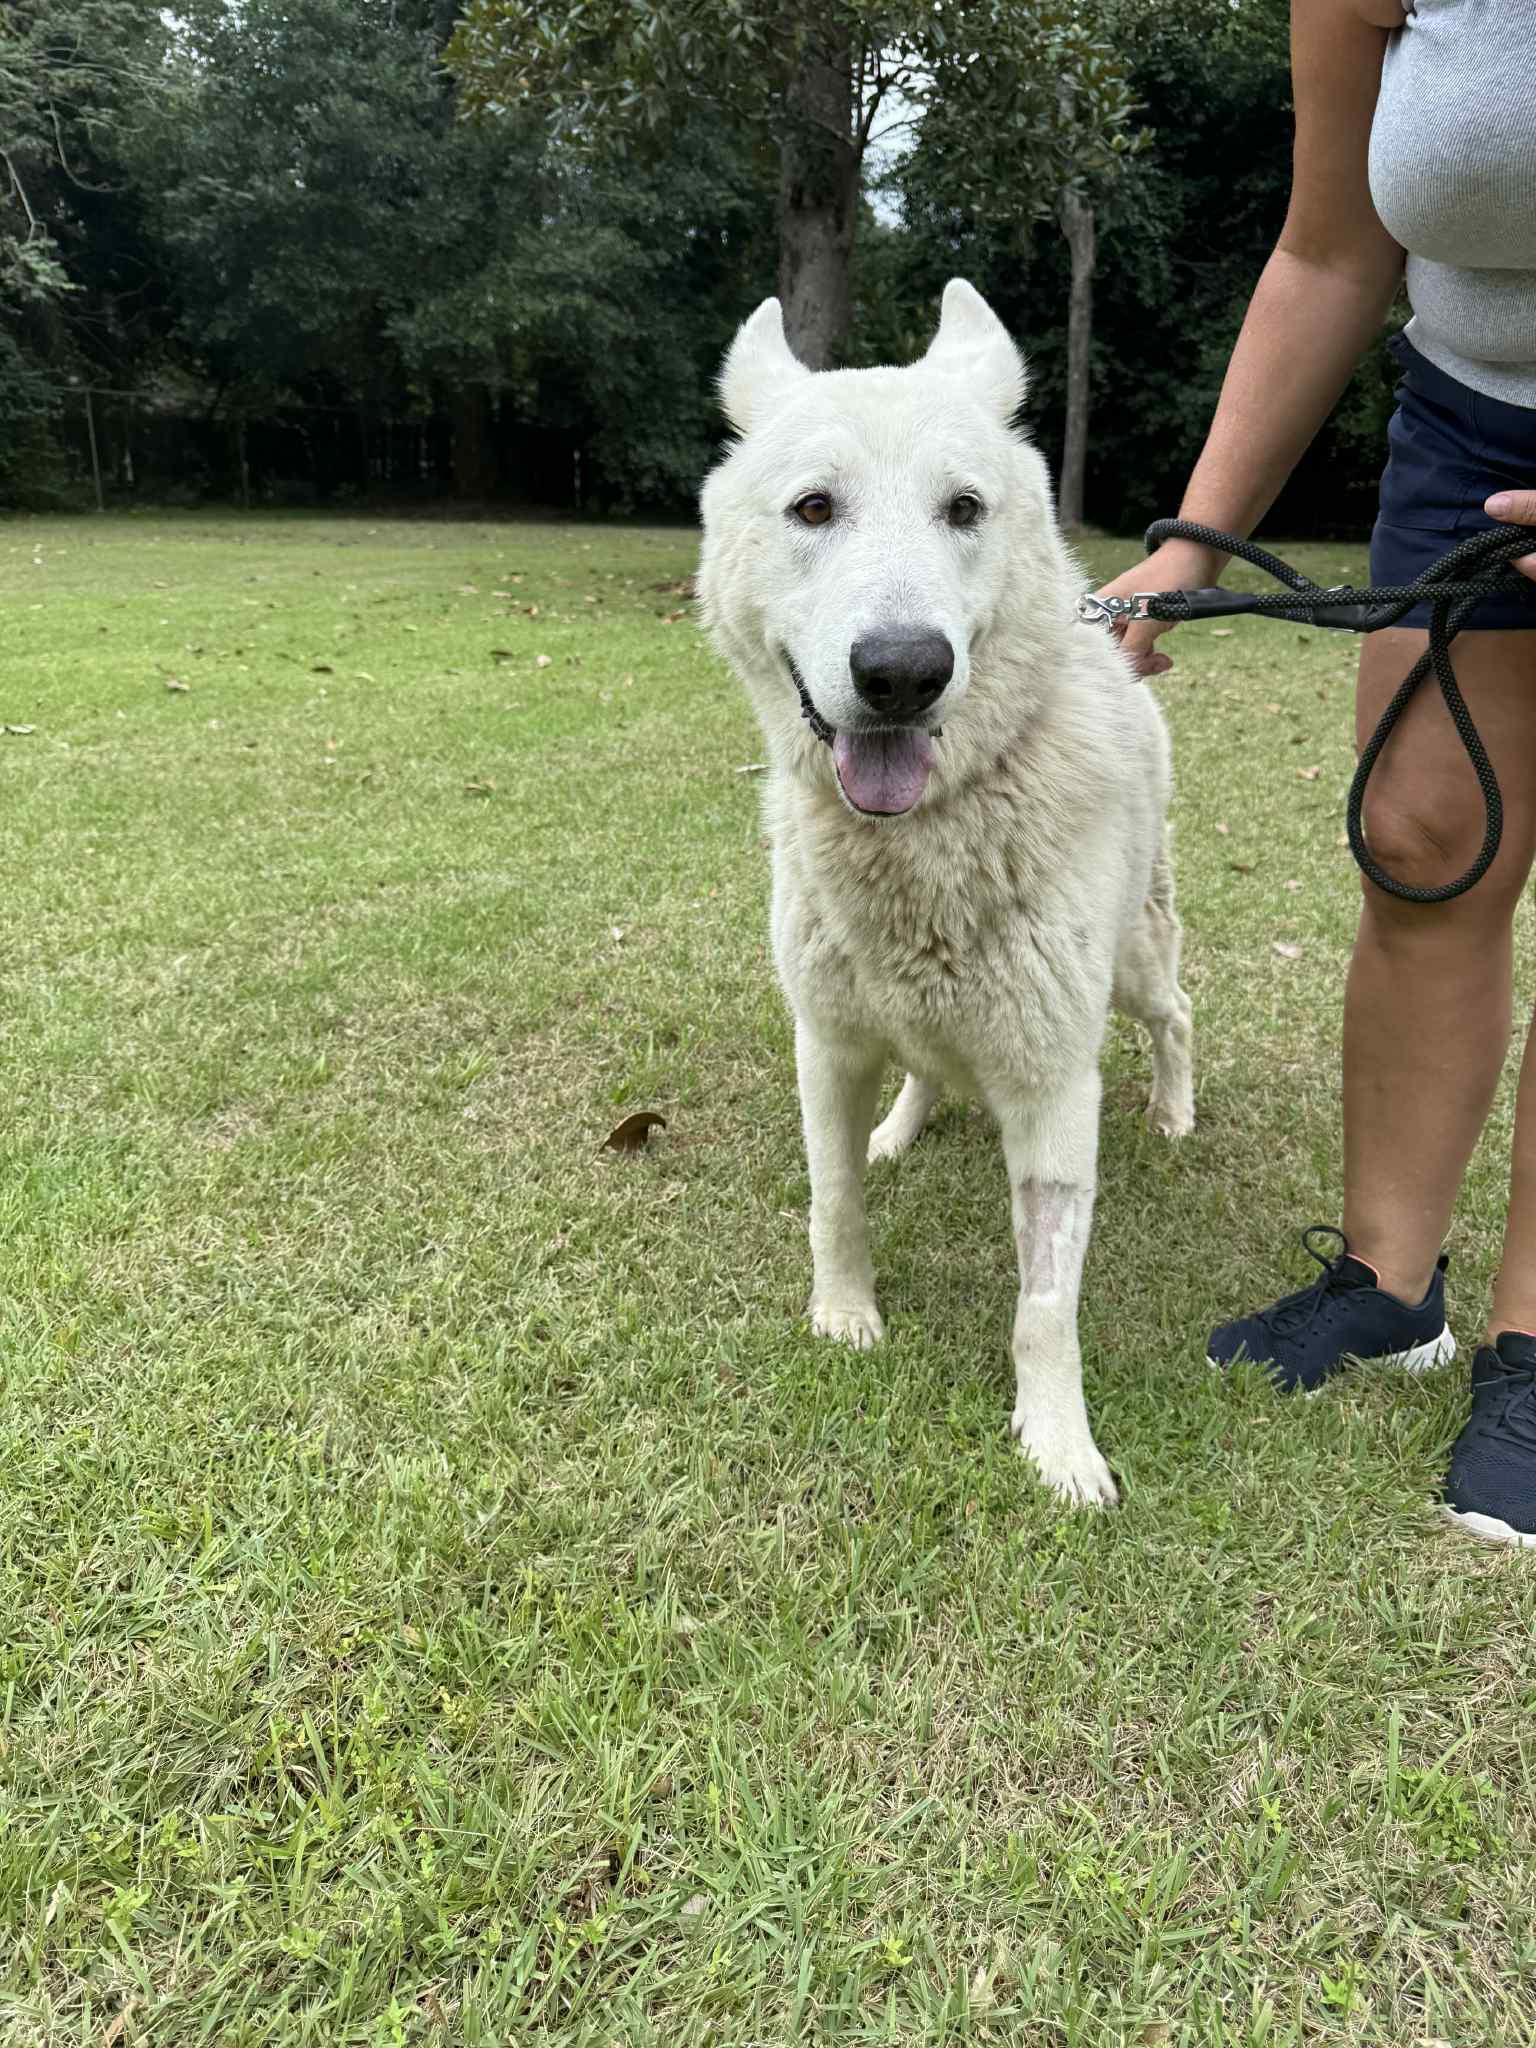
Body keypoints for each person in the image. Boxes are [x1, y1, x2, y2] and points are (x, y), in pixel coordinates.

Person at [1094, 0, 1536, 1544]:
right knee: (1424, 844)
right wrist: (1195, 540)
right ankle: (1388, 1284)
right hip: (1463, 427)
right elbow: (1332, 250)